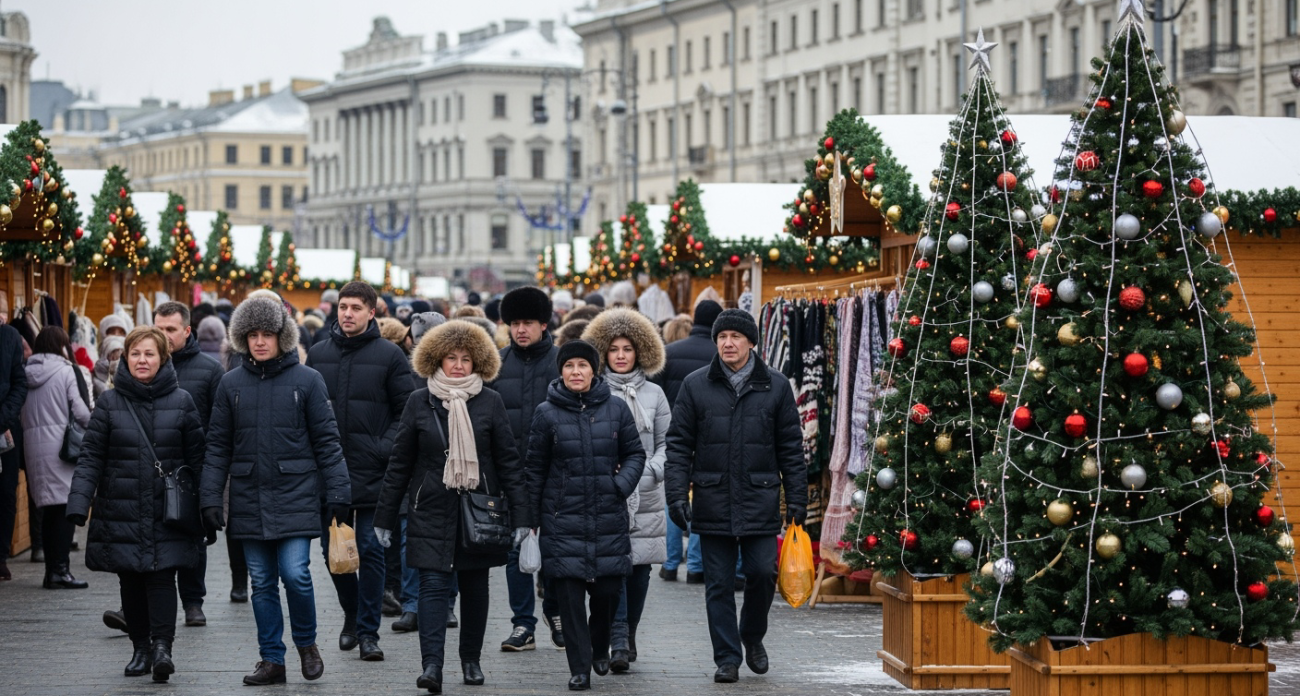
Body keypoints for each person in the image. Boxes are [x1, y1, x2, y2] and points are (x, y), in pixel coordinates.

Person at [200, 295, 352, 686]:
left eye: (268, 333)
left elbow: (328, 443)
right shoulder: (230, 383)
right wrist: (210, 497)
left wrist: (339, 493)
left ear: (282, 336)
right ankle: (272, 659)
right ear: (242, 338)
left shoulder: (307, 380)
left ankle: (306, 644)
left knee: (296, 573)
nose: (260, 342)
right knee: (262, 582)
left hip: (296, 492)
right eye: (253, 334)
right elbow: (218, 445)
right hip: (249, 496)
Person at [375, 320, 532, 693]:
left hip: (479, 508)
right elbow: (400, 463)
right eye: (451, 357)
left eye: (465, 358)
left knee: (476, 587)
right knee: (432, 585)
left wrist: (523, 517)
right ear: (437, 360)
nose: (458, 365)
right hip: (430, 506)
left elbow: (509, 462)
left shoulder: (490, 401)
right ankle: (432, 665)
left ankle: (471, 660)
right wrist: (384, 517)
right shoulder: (419, 400)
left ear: (477, 362)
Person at [664, 309, 806, 684]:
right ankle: (727, 657)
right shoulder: (696, 385)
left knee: (762, 572)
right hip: (713, 496)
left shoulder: (775, 386)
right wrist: (677, 493)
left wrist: (797, 498)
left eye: (735, 337)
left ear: (751, 343)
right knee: (719, 584)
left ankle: (752, 635)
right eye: (722, 337)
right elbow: (678, 444)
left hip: (759, 495)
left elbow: (791, 447)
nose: (728, 343)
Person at [67, 326, 208, 682]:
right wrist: (78, 502)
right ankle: (141, 648)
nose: (142, 360)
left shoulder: (182, 401)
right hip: (122, 508)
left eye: (149, 354)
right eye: (135, 353)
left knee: (162, 577)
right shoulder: (110, 403)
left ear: (163, 358)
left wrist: (209, 508)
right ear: (125, 358)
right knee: (130, 580)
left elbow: (199, 460)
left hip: (168, 511)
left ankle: (163, 648)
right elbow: (90, 458)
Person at [524, 340, 645, 691]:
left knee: (608, 592)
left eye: (582, 365)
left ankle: (598, 643)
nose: (576, 372)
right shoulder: (546, 413)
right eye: (569, 366)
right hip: (562, 519)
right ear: (560, 371)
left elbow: (635, 453)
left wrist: (619, 485)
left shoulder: (617, 409)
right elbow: (534, 468)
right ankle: (579, 667)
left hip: (607, 516)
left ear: (594, 370)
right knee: (570, 599)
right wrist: (531, 517)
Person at [306, 281, 414, 661]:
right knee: (333, 553)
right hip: (330, 473)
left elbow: (406, 412)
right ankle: (352, 615)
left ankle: (369, 631)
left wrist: (381, 447)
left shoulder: (390, 356)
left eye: (355, 307)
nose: (347, 313)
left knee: (369, 549)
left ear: (372, 312)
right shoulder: (318, 354)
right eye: (342, 307)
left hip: (374, 472)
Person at [580, 309, 669, 673]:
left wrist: (649, 473)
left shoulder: (655, 393)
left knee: (640, 570)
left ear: (640, 351)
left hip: (645, 492)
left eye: (627, 348)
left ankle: (627, 632)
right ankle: (617, 638)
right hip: (606, 491)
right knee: (611, 569)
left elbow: (669, 443)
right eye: (613, 348)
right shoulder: (593, 392)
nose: (620, 355)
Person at [487, 286, 560, 652]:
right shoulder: (497, 365)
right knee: (516, 549)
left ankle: (557, 611)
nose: (520, 330)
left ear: (543, 324)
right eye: (515, 323)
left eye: (528, 323)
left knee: (557, 547)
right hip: (511, 474)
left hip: (559, 472)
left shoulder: (562, 363)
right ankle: (522, 624)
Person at [154, 301, 225, 625]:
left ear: (186, 330)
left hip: (192, 468)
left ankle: (193, 602)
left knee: (193, 537)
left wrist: (211, 472)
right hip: (152, 466)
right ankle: (144, 602)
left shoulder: (209, 370)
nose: (163, 336)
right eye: (159, 329)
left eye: (170, 329)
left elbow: (220, 425)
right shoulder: (146, 364)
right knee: (152, 536)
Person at [652, 299, 723, 583]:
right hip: (710, 436)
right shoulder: (719, 355)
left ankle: (669, 564)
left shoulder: (669, 353)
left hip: (674, 435)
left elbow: (656, 395)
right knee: (702, 496)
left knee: (675, 495)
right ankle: (695, 565)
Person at [21, 326, 92, 590]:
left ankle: (52, 571)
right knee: (64, 510)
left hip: (34, 448)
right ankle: (60, 571)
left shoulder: (26, 372)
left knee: (49, 510)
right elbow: (80, 412)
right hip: (61, 449)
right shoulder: (64, 371)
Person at [0, 319, 28, 582]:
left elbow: (20, 382)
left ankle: (0, 557)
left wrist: (4, 417)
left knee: (6, 493)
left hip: (5, 429)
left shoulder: (9, 336)